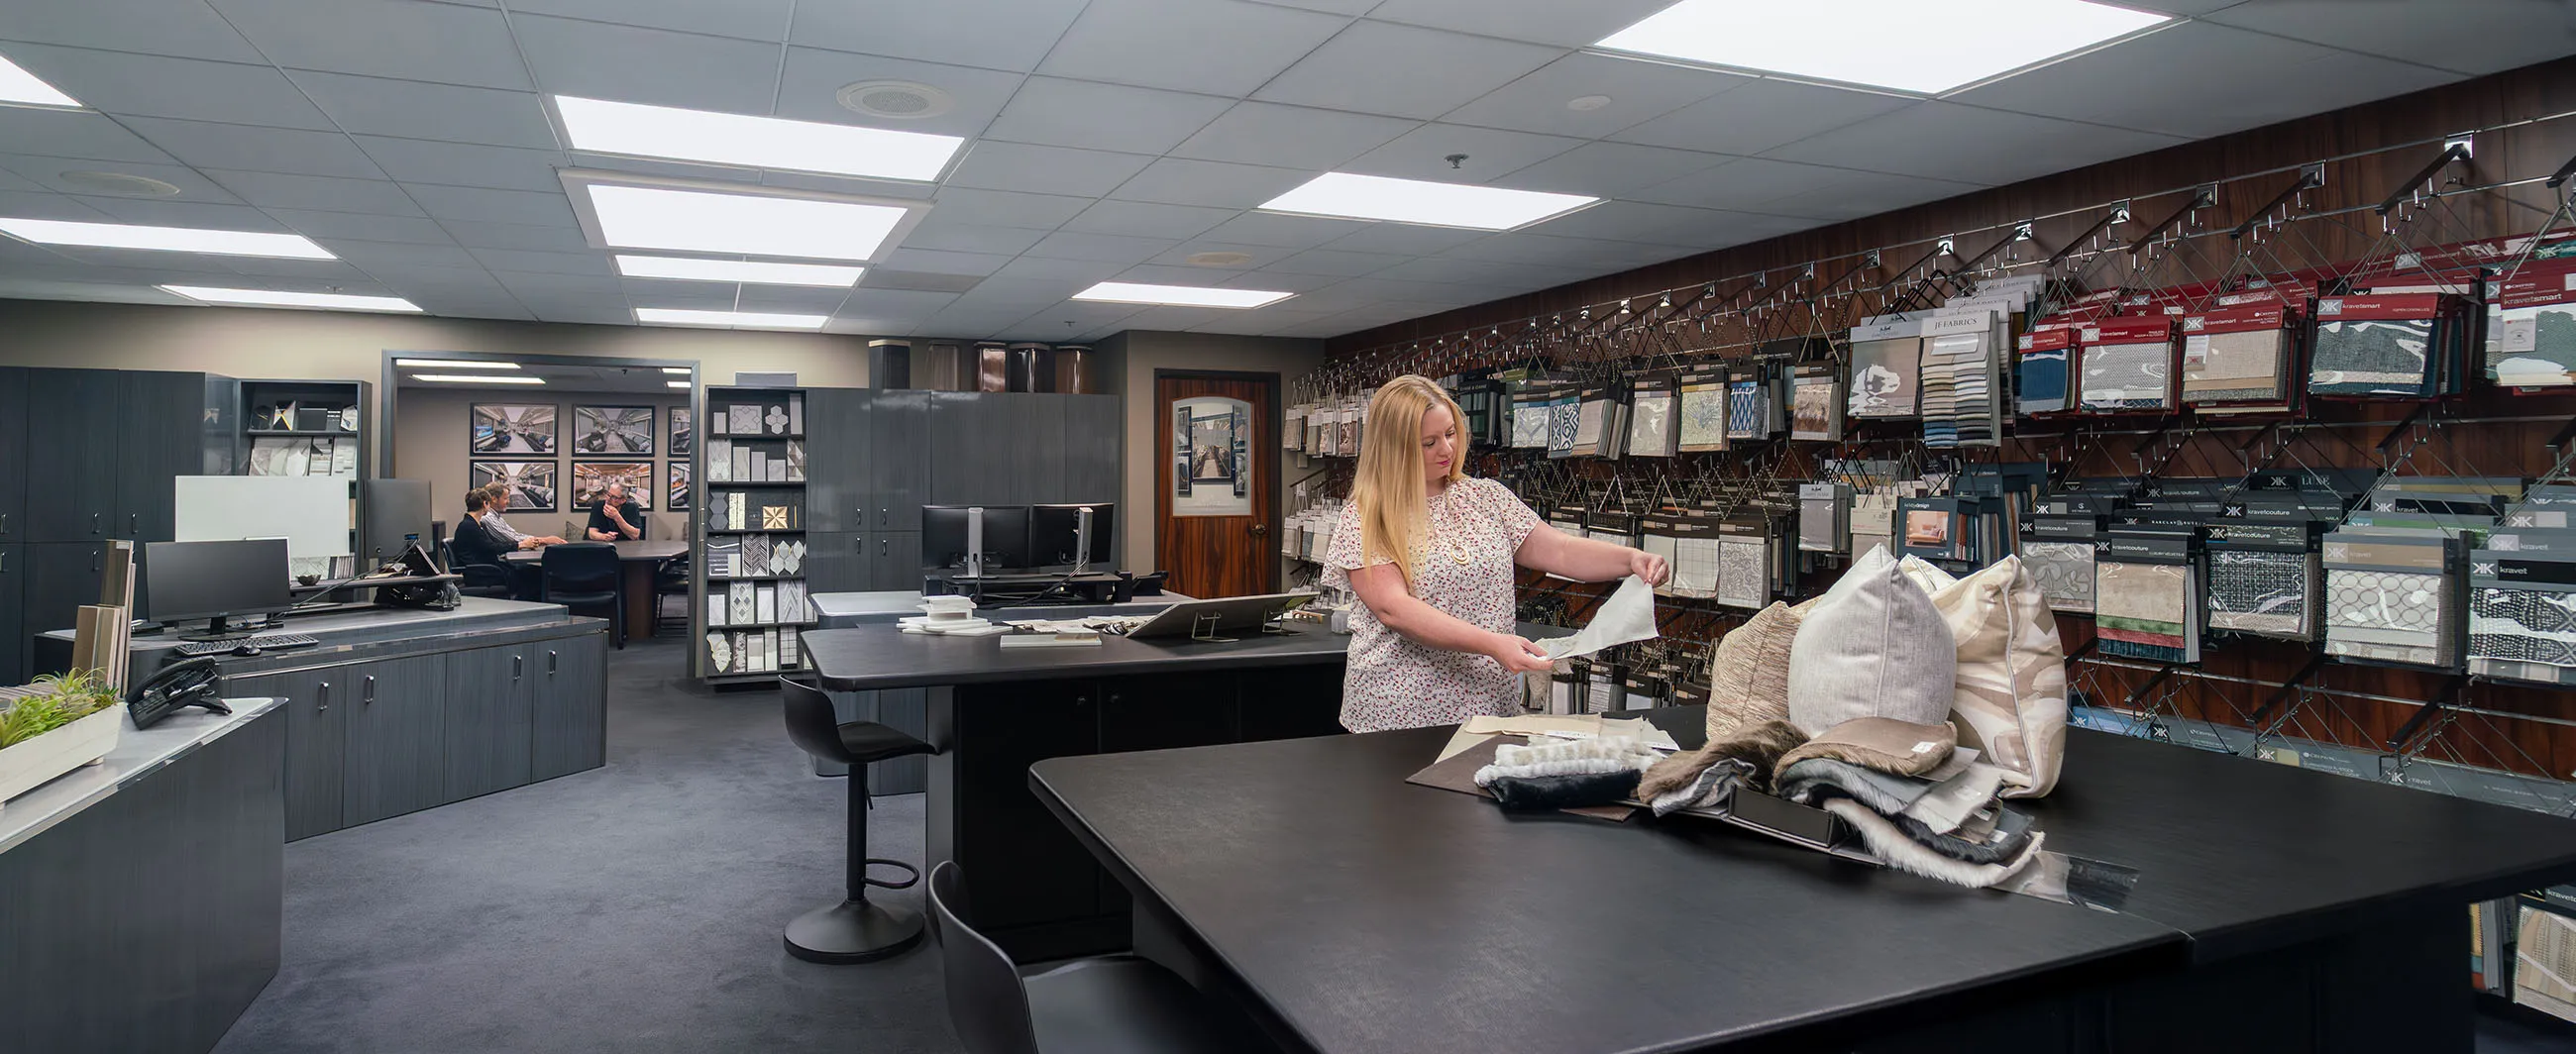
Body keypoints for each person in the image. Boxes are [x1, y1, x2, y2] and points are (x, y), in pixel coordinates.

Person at [1325, 374, 1668, 733]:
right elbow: (1395, 610)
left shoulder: (1486, 498)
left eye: (1450, 433)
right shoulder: (1367, 516)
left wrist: (1629, 560)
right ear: (1394, 448)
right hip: (1399, 711)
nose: (1446, 449)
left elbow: (1561, 551)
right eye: (1428, 442)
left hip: (1486, 702)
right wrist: (1493, 644)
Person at [480, 481, 564, 550]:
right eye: (505, 498)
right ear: (494, 499)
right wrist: (545, 540)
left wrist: (541, 540)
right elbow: (512, 539)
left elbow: (514, 534)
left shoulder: (496, 516)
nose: (508, 502)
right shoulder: (488, 518)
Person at [450, 489, 511, 570]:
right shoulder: (470, 526)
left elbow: (489, 546)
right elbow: (491, 548)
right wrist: (517, 545)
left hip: (485, 569)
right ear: (485, 504)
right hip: (484, 572)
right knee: (528, 572)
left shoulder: (472, 524)